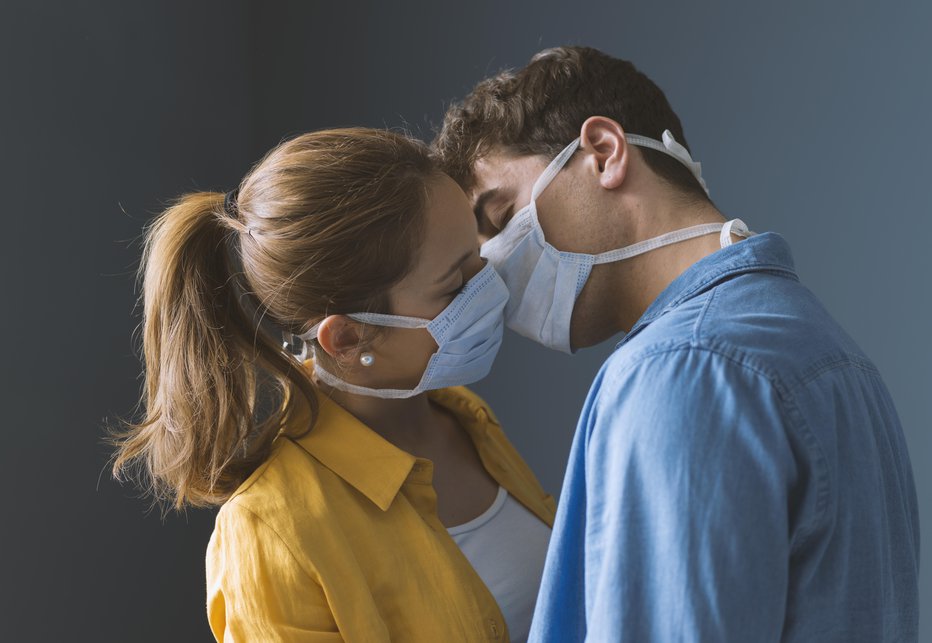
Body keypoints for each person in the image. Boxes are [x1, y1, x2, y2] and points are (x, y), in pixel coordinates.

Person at [433, 46, 919, 642]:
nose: (493, 266)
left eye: (502, 214)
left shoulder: (679, 369)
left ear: (604, 154)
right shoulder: (816, 343)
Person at [110, 128, 554, 642]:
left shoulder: (463, 416)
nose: (491, 286)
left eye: (478, 256)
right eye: (456, 284)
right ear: (345, 338)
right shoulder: (270, 531)